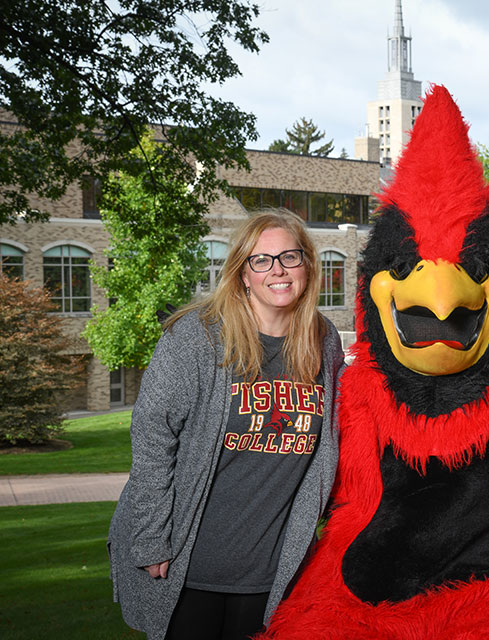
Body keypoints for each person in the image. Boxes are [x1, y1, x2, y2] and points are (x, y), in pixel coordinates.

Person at [108, 210, 344, 640]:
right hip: (187, 563)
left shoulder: (324, 341)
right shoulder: (197, 337)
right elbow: (151, 438)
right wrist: (150, 540)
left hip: (272, 570)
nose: (278, 270)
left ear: (308, 265)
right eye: (262, 260)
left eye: (290, 257)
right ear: (242, 274)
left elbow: (331, 443)